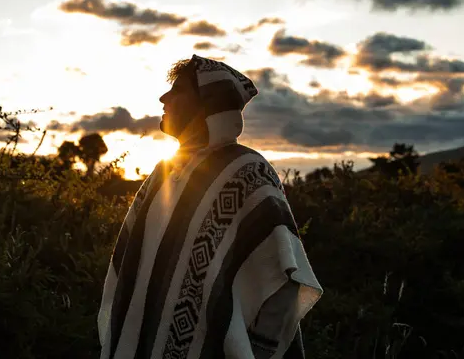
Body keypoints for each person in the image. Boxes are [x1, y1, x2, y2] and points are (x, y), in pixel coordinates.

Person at [97, 54, 323, 359]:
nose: (164, 97)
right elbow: (130, 265)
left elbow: (281, 274)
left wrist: (258, 350)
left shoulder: (247, 172)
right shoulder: (162, 174)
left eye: (176, 90)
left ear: (204, 103)